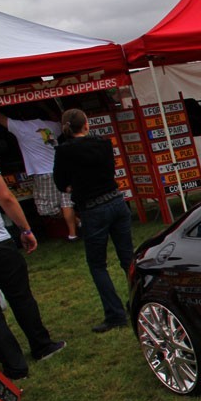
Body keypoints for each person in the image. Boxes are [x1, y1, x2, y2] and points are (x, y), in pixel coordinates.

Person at [53, 109, 134, 333]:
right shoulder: (103, 144)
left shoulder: (64, 151)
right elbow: (110, 171)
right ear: (86, 125)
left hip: (93, 208)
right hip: (116, 201)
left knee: (97, 264)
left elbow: (60, 183)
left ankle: (115, 314)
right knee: (128, 257)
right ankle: (137, 300)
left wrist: (75, 185)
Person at [0, 160, 66, 380]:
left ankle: (15, 365)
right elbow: (5, 197)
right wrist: (25, 229)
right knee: (20, 296)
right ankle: (41, 346)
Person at [0, 105, 80, 241]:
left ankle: (76, 227)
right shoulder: (51, 125)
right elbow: (60, 122)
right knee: (66, 203)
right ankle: (74, 231)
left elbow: (0, 119)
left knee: (46, 209)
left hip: (44, 172)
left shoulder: (21, 127)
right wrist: (46, 107)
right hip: (61, 168)